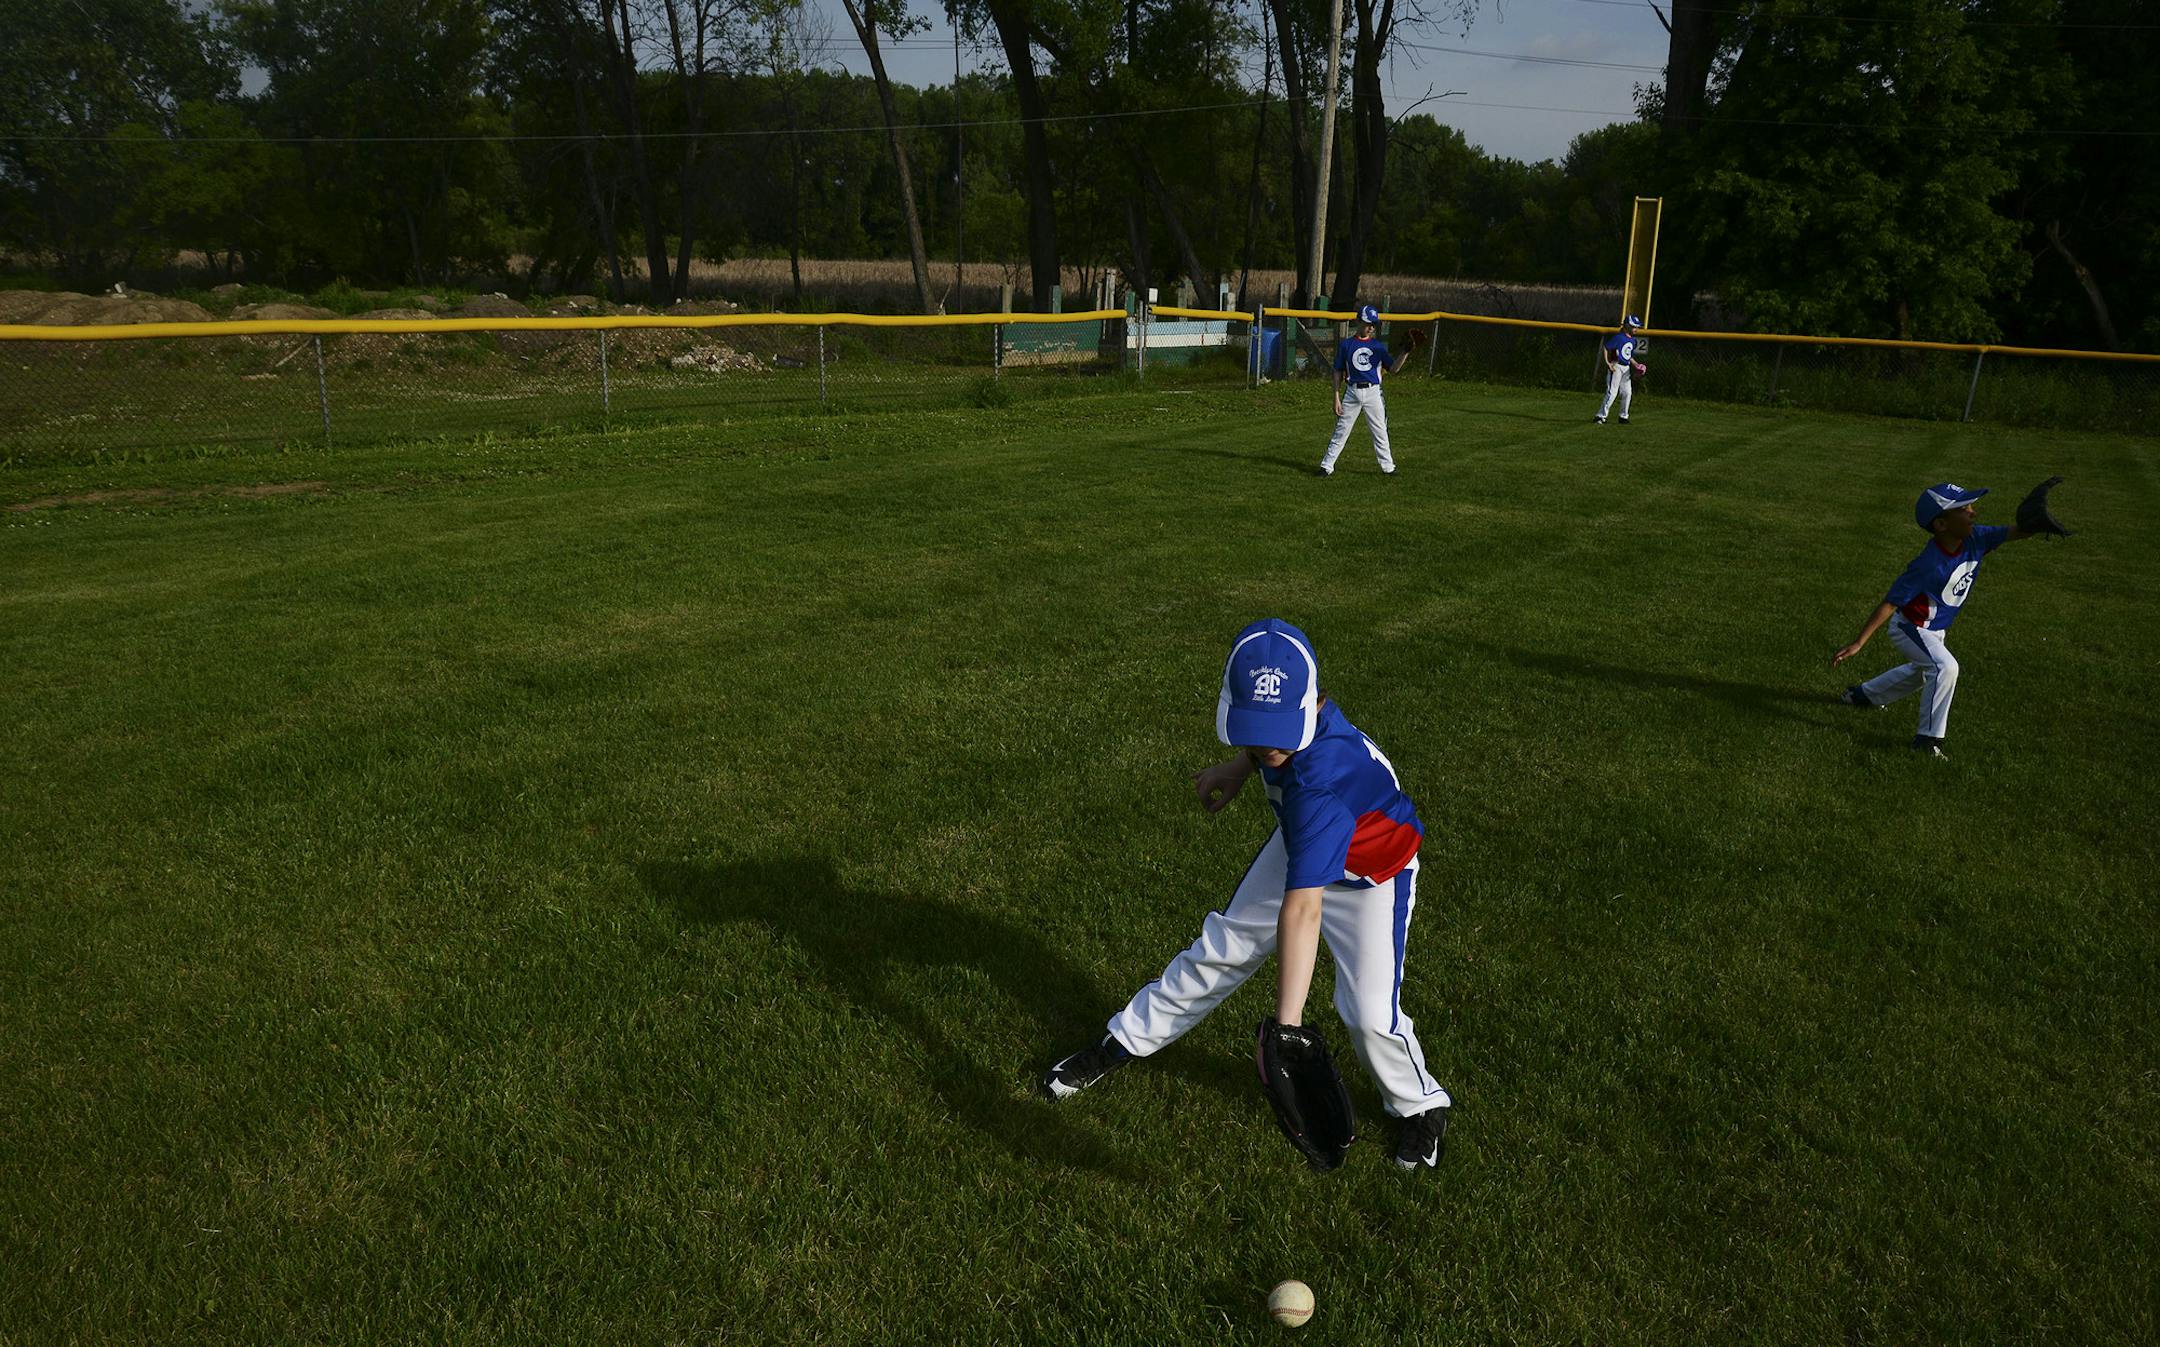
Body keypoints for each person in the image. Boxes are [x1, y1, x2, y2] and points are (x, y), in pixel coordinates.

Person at [1040, 618, 1453, 1171]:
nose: (1267, 743)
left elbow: (1304, 911)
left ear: (1310, 708)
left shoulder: (1322, 780)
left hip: (1371, 878)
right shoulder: (1288, 732)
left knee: (1369, 1014)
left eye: (1278, 729)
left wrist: (1287, 1029)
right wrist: (1237, 768)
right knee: (1222, 949)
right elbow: (1270, 749)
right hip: (1305, 845)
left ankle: (1422, 1105)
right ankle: (1121, 1043)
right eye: (1255, 730)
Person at [1830, 483, 2043, 758]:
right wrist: (1859, 642)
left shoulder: (1976, 538)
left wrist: (2035, 525)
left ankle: (1862, 696)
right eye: (1964, 509)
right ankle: (1927, 742)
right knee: (1945, 668)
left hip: (1936, 630)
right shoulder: (1928, 563)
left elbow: (2016, 532)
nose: (1973, 513)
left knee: (1921, 672)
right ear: (1942, 524)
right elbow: (1891, 602)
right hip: (1909, 628)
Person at [1317, 305, 1418, 477]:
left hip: (1373, 392)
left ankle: (1388, 467)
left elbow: (1393, 369)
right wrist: (1335, 396)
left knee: (1379, 430)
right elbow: (1337, 371)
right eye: (1368, 323)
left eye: (1374, 324)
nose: (1371, 327)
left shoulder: (1377, 347)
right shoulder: (1347, 345)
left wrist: (1405, 352)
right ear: (1358, 321)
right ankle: (1326, 465)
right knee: (1342, 430)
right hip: (1352, 392)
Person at [1594, 314, 1646, 425]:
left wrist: (1636, 365)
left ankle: (1623, 416)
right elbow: (1607, 348)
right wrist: (1608, 363)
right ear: (1626, 326)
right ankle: (1600, 416)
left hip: (1626, 368)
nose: (1636, 329)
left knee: (1627, 392)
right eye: (1634, 327)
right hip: (1616, 366)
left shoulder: (1633, 341)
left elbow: (1628, 356)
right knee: (1612, 392)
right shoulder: (1619, 337)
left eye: (1637, 327)